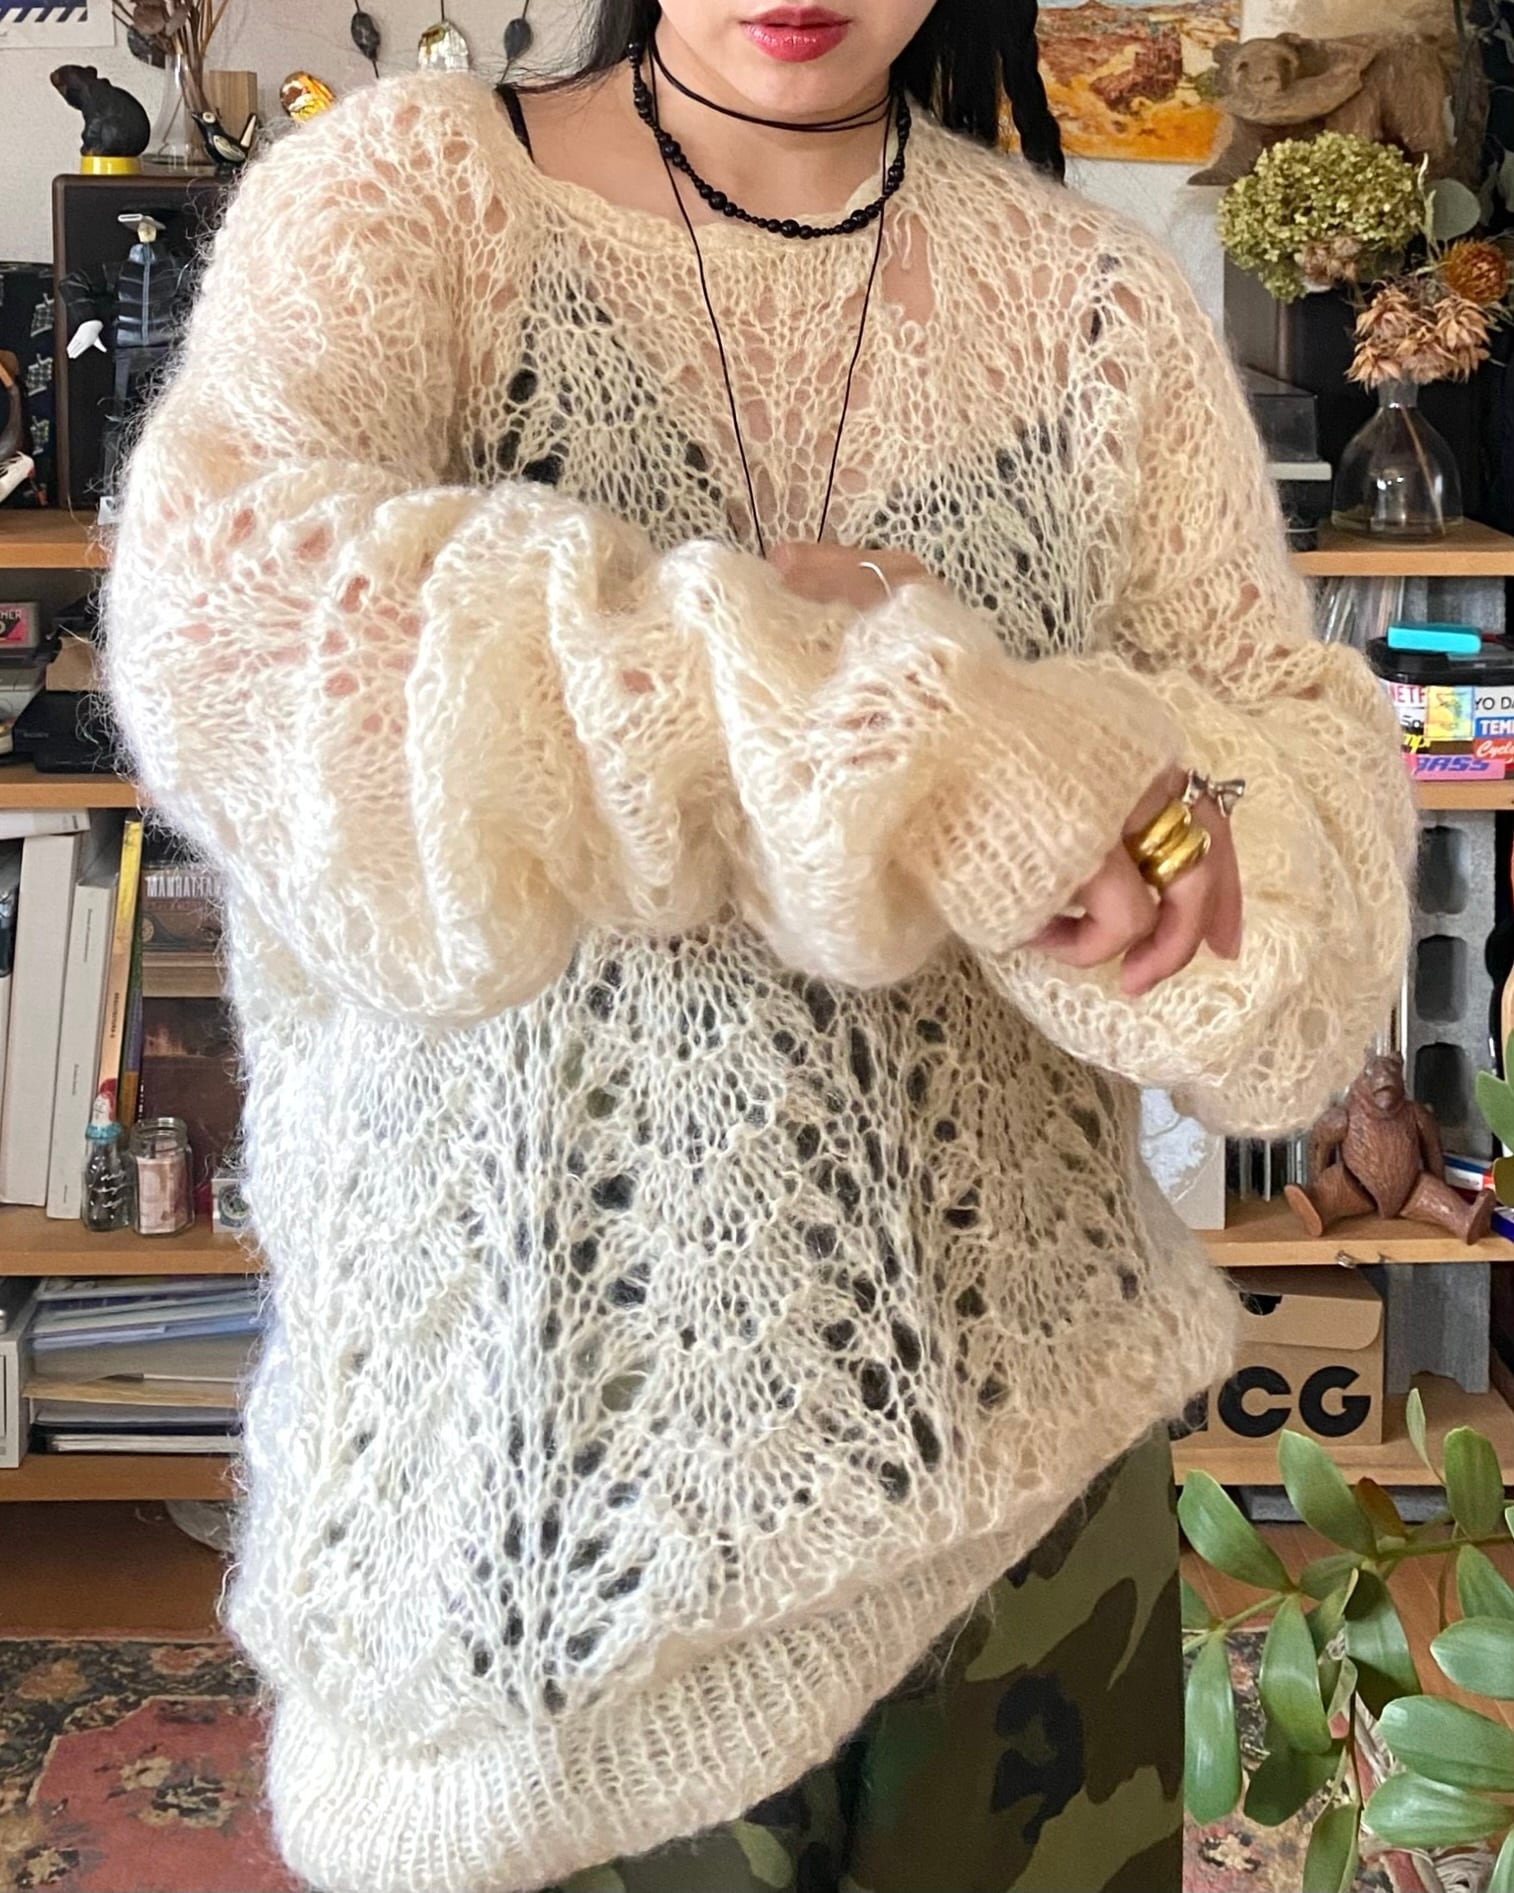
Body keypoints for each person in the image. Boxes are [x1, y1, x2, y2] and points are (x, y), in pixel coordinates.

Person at [103, 4, 1415, 1890]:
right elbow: (239, 635)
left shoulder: (1093, 312)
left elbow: (1295, 888)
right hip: (554, 1544)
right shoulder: (411, 202)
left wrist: (1110, 782)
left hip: (1031, 1509)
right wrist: (925, 748)